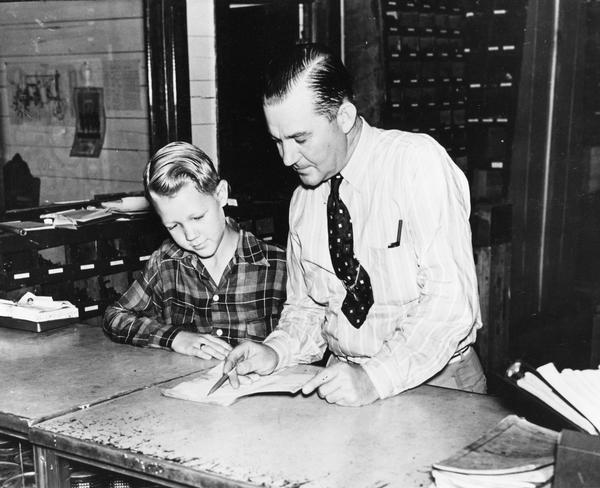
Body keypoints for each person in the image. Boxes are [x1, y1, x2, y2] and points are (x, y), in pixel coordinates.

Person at [223, 43, 486, 406]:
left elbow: (450, 303)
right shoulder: (304, 199)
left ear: (343, 117)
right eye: (277, 141)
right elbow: (308, 308)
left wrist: (375, 378)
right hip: (344, 382)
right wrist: (277, 351)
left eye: (300, 139)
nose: (286, 158)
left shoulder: (415, 165)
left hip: (436, 384)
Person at [103, 141, 287, 360]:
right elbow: (115, 316)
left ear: (220, 194)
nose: (190, 236)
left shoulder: (278, 264)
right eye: (173, 226)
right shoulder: (166, 263)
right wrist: (175, 337)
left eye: (198, 217)